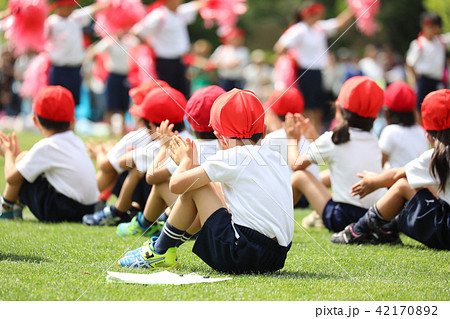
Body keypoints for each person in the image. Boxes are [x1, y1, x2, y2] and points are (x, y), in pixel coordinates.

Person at [118, 89, 294, 274]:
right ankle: (165, 246)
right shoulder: (275, 156)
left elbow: (176, 185)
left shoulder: (233, 156)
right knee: (213, 186)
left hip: (242, 255)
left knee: (196, 187)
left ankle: (160, 251)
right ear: (264, 132)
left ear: (220, 137)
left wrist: (186, 161)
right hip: (275, 257)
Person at [331, 89, 450, 250]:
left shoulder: (438, 155)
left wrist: (374, 181)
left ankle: (358, 231)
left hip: (446, 230)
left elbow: (396, 173)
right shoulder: (420, 137)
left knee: (402, 185)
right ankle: (387, 229)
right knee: (420, 184)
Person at [116, 85, 224, 237]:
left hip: (195, 221)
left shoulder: (191, 148)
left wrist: (164, 148)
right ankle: (161, 220)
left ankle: (145, 224)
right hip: (222, 218)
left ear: (191, 122)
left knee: (161, 183)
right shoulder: (232, 148)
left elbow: (151, 176)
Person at [285, 76, 387, 233]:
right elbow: (337, 156)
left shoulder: (332, 139)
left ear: (339, 109)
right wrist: (313, 136)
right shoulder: (373, 138)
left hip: (343, 218)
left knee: (299, 177)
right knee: (329, 174)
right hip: (373, 216)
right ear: (375, 116)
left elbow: (296, 165)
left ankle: (276, 220)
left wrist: (292, 139)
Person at [83, 85, 187, 226]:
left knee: (136, 169)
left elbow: (119, 163)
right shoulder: (190, 140)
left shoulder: (157, 145)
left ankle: (119, 212)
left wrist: (102, 153)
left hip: (174, 209)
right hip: (191, 207)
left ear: (150, 124)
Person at [0, 86, 99, 221]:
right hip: (88, 209)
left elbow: (11, 178)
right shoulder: (77, 141)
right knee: (24, 158)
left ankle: (5, 208)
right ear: (72, 121)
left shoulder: (47, 146)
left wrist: (8, 154)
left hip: (61, 210)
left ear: (35, 121)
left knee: (22, 159)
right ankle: (15, 205)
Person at [274, 1, 354, 132]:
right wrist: (292, 59)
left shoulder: (319, 28)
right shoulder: (299, 30)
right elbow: (280, 47)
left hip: (318, 71)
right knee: (307, 107)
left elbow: (339, 23)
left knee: (318, 107)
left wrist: (354, 9)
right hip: (305, 71)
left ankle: (315, 132)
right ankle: (306, 134)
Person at [130, 0, 204, 98]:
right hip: (164, 61)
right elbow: (136, 31)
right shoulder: (158, 15)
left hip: (180, 60)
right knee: (167, 94)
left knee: (183, 93)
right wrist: (150, 45)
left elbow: (198, 5)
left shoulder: (180, 12)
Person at [45, 0, 110, 105]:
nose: (70, 10)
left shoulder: (76, 17)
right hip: (58, 68)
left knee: (72, 101)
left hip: (75, 68)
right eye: (67, 7)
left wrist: (111, 3)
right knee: (57, 101)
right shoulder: (51, 22)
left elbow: (93, 8)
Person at [406, 12, 450, 111]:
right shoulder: (419, 43)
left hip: (438, 80)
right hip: (424, 80)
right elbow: (410, 63)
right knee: (422, 107)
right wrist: (416, 77)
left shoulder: (441, 41)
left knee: (440, 108)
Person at [379, 81, 429, 169]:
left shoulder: (390, 132)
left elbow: (379, 164)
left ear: (387, 112)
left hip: (397, 181)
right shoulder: (420, 131)